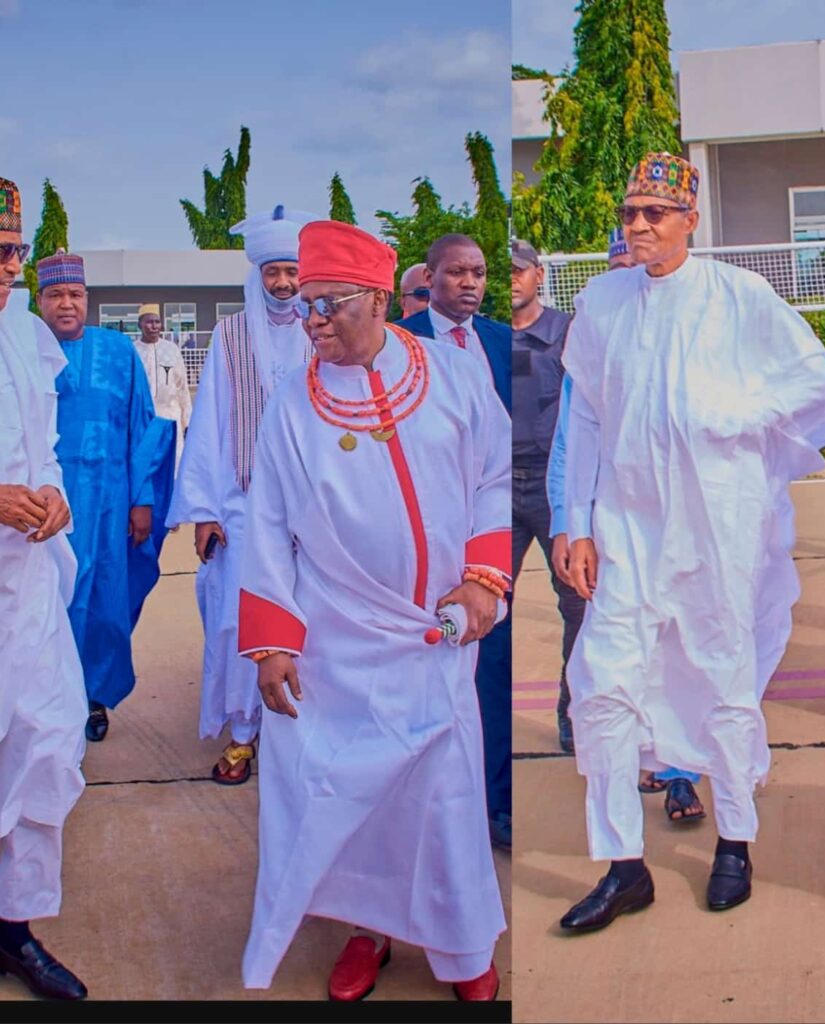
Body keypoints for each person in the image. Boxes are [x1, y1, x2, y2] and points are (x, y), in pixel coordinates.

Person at [558, 152, 825, 931]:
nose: (639, 225)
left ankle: (734, 840)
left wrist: (738, 410)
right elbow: (584, 416)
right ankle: (625, 865)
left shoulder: (739, 294)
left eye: (655, 213)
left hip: (716, 522)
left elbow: (817, 383)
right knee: (602, 683)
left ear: (691, 219)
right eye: (630, 212)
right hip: (625, 521)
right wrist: (573, 521)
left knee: (722, 674)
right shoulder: (601, 301)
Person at [237, 220, 509, 1001]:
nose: (313, 320)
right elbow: (270, 522)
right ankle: (368, 931)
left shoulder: (454, 375)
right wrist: (272, 639)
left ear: (381, 298)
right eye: (307, 306)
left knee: (444, 796)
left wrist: (486, 579)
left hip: (440, 634)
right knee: (352, 794)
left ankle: (462, 951)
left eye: (330, 304)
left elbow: (492, 478)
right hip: (340, 641)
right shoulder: (294, 402)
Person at [547, 229, 707, 823]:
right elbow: (570, 443)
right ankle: (633, 769)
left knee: (683, 649)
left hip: (688, 528)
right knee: (618, 656)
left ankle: (684, 773)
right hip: (615, 529)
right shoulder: (591, 351)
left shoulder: (692, 337)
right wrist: (570, 525)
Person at [167, 205, 315, 784]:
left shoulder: (319, 327)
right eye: (272, 273)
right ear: (257, 277)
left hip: (311, 506)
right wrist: (204, 510)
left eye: (290, 272)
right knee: (236, 620)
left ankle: (299, 728)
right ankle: (244, 733)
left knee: (309, 617)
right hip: (243, 503)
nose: (283, 283)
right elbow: (207, 424)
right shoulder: (229, 335)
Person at [0, 178, 88, 1001]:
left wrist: (54, 494)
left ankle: (15, 929)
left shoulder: (27, 335)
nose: (6, 267)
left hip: (27, 585)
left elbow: (45, 445)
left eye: (14, 252)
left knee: (44, 746)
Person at [397, 233, 512, 849]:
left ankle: (495, 803)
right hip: (428, 525)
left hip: (496, 514)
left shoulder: (499, 339)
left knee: (495, 657)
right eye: (457, 272)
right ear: (430, 279)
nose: (470, 283)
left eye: (479, 272)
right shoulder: (401, 343)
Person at [36, 250, 175, 743]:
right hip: (45, 509)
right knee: (48, 602)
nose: (66, 304)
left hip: (111, 503)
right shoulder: (23, 348)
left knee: (105, 602)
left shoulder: (118, 352)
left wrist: (143, 501)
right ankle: (51, 699)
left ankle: (92, 697)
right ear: (40, 300)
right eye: (55, 295)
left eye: (74, 294)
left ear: (87, 299)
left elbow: (142, 427)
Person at [510, 238, 584, 755]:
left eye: (519, 271)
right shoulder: (485, 337)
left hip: (553, 485)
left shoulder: (566, 335)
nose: (511, 280)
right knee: (485, 609)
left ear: (538, 274)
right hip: (495, 486)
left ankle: (575, 712)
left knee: (578, 605)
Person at [132, 303, 192, 469]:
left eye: (157, 322)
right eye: (149, 322)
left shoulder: (171, 350)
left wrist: (187, 422)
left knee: (173, 465)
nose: (154, 326)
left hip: (170, 416)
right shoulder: (133, 351)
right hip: (142, 419)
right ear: (140, 325)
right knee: (145, 466)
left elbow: (182, 389)